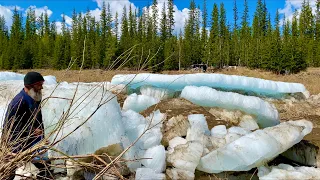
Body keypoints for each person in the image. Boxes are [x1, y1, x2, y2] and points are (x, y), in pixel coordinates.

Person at [2, 72, 50, 179]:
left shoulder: (35, 97)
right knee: (17, 173)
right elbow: (10, 127)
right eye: (39, 85)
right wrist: (31, 130)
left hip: (33, 144)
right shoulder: (18, 102)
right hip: (17, 146)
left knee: (42, 170)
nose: (41, 87)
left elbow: (38, 119)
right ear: (29, 86)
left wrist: (42, 139)